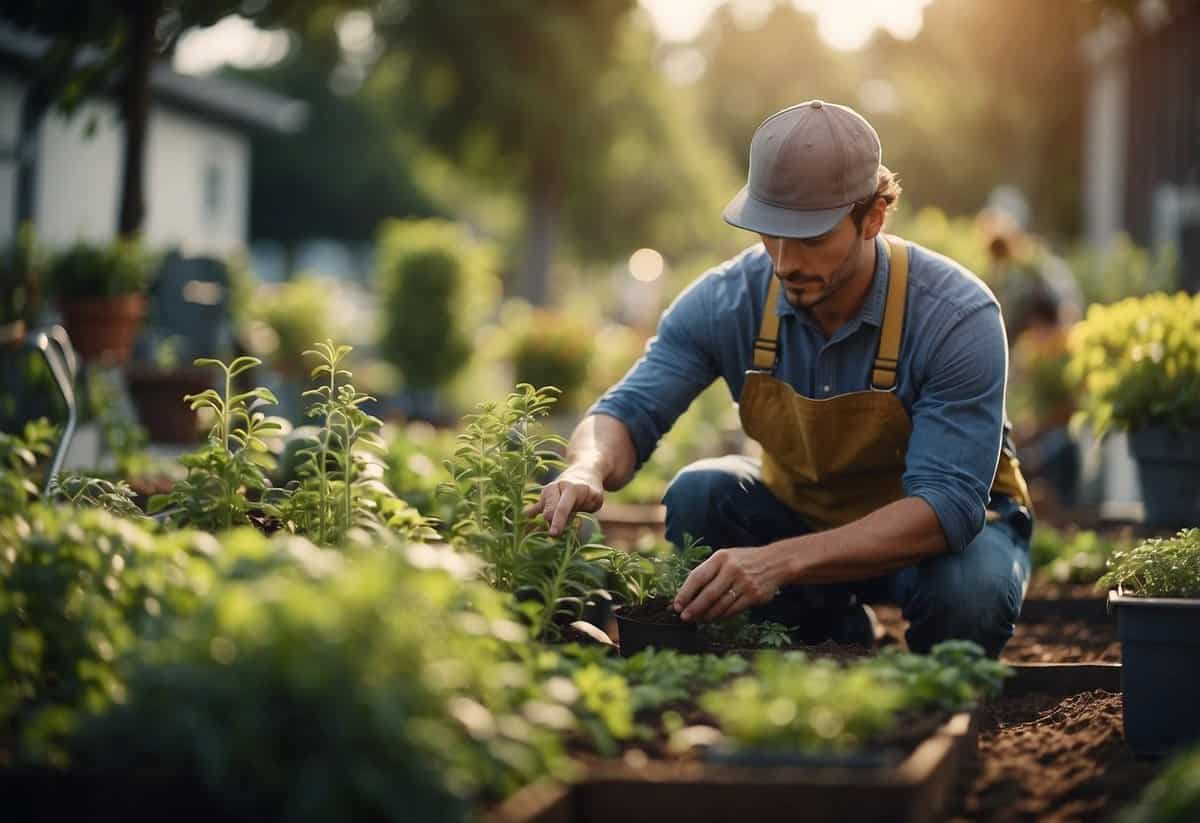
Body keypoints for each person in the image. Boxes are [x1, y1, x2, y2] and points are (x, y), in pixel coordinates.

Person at [526, 100, 1034, 657]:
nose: (785, 260)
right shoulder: (728, 299)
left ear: (873, 218)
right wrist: (585, 467)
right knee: (702, 493)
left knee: (970, 594)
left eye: (812, 238)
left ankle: (936, 678)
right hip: (804, 526)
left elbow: (947, 507)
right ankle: (828, 632)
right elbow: (629, 409)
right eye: (770, 233)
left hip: (936, 546)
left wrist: (780, 560)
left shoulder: (955, 315)